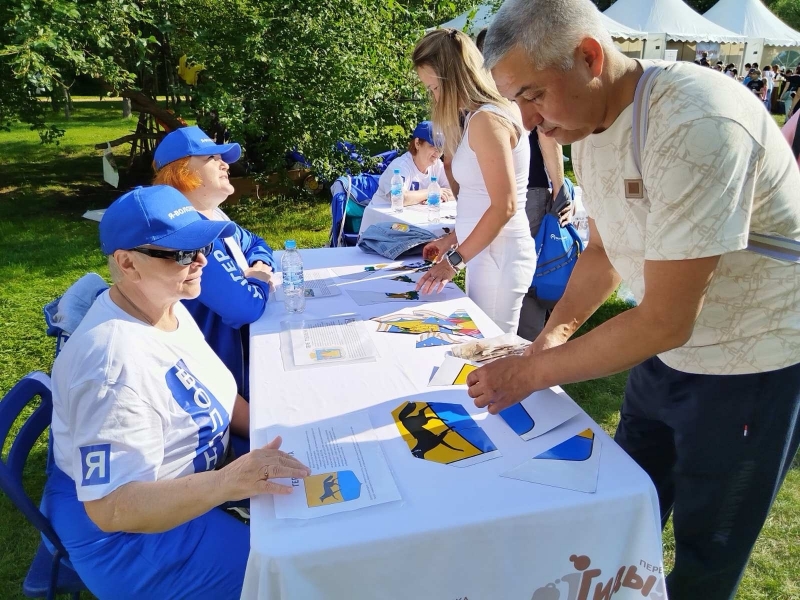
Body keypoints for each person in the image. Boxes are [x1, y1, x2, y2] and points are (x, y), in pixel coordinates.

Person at [473, 1, 800, 599]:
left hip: (749, 365)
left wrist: (528, 373)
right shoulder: (588, 123)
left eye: (533, 94)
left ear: (590, 57)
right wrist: (548, 342)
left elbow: (668, 319)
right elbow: (604, 251)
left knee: (706, 555)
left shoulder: (698, 119)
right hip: (664, 350)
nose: (527, 120)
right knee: (622, 508)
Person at [42, 185, 311, 600]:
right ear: (127, 263)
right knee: (291, 577)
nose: (202, 260)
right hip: (133, 535)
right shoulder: (112, 366)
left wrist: (278, 426)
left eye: (202, 245)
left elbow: (223, 397)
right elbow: (111, 508)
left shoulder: (167, 305)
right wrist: (227, 483)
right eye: (182, 253)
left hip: (194, 482)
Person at [412, 29, 536, 333]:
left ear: (451, 78)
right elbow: (480, 197)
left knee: (492, 349)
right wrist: (451, 239)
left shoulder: (487, 120)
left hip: (498, 257)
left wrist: (453, 261)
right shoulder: (480, 116)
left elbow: (504, 206)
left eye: (433, 88)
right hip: (487, 254)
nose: (434, 97)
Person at [153, 125, 275, 399]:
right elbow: (246, 307)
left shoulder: (213, 216)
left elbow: (257, 243)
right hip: (222, 384)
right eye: (212, 158)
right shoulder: (187, 233)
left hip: (237, 365)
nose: (225, 164)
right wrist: (260, 278)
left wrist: (256, 265)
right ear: (182, 172)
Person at [372, 121, 454, 207]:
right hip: (382, 218)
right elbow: (399, 198)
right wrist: (432, 192)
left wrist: (439, 196)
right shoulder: (400, 166)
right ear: (417, 143)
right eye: (433, 146)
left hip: (409, 217)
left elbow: (455, 192)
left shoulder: (437, 165)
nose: (438, 151)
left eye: (441, 147)